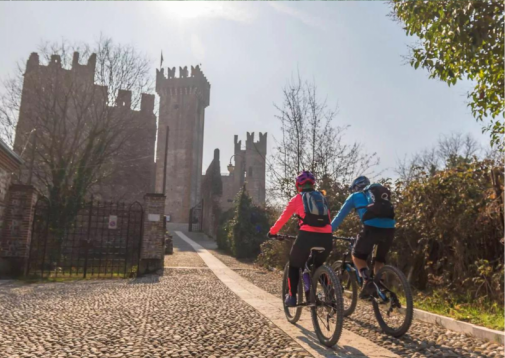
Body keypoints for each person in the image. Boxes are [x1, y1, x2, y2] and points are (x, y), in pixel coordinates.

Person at [268, 171, 333, 307]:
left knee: (294, 264)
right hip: (326, 238)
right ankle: (331, 293)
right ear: (313, 184)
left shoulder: (297, 199)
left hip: (306, 236)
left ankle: (291, 297)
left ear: (298, 185)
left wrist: (272, 232)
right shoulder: (321, 198)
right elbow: (328, 219)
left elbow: (283, 218)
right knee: (317, 265)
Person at [331, 176, 395, 299]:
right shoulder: (377, 195)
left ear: (355, 188)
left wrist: (328, 231)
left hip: (371, 228)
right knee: (379, 260)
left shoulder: (355, 196)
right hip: (390, 229)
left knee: (357, 256)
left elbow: (339, 216)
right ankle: (380, 286)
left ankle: (367, 282)